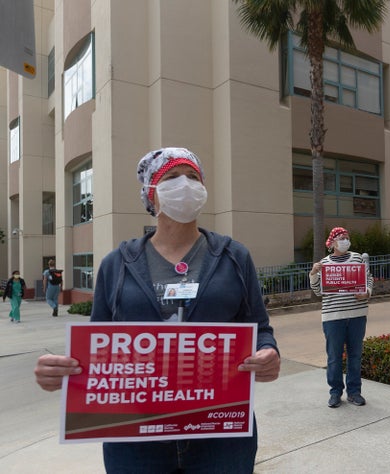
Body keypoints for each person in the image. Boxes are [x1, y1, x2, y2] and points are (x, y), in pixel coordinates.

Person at [34, 147, 281, 473]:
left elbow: (258, 326)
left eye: (193, 177)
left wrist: (268, 351)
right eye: (172, 177)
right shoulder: (117, 264)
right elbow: (98, 347)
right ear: (152, 192)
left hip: (220, 433)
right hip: (136, 440)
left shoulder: (234, 256)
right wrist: (63, 373)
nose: (185, 185)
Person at [309, 227, 373, 408]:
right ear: (333, 242)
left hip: (357, 315)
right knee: (334, 357)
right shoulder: (324, 264)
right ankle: (335, 392)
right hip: (333, 317)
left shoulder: (357, 258)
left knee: (355, 355)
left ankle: (354, 392)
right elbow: (317, 291)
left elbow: (368, 278)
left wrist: (366, 292)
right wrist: (313, 273)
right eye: (341, 238)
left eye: (347, 237)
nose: (345, 240)